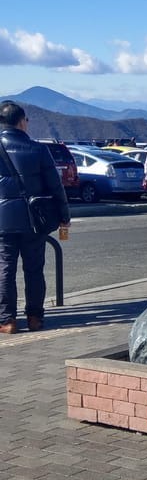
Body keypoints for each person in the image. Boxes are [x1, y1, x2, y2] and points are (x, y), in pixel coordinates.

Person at [0, 101, 70, 334]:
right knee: (34, 270)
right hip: (34, 220)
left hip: (3, 221)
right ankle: (34, 319)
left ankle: (7, 321)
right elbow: (55, 186)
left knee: (4, 269)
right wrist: (64, 215)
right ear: (21, 122)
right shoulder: (39, 150)